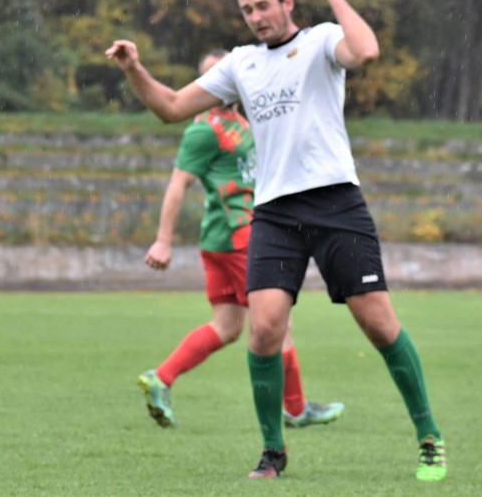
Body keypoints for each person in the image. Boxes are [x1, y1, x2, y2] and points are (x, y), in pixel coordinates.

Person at [107, 0, 447, 482]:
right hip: (275, 212)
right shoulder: (241, 64)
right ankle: (273, 452)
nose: (256, 17)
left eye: (263, 5)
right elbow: (172, 108)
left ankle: (429, 437)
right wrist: (133, 68)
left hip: (335, 202)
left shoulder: (321, 41)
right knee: (263, 329)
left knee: (378, 324)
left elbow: (367, 51)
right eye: (246, 10)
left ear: (287, 2)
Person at [137, 48, 345, 432]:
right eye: (212, 74)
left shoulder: (241, 121)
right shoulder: (204, 130)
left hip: (228, 236)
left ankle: (160, 378)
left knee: (228, 326)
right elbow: (178, 183)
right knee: (278, 319)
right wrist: (163, 240)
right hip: (238, 236)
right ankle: (296, 408)